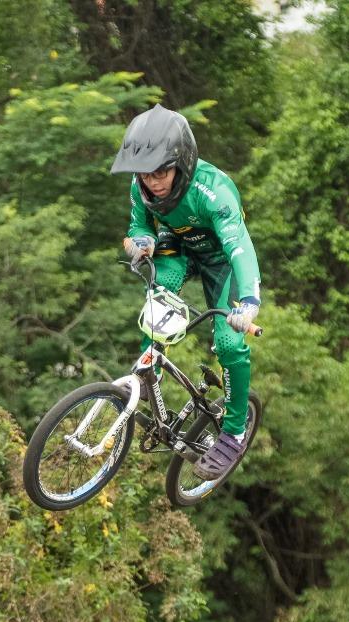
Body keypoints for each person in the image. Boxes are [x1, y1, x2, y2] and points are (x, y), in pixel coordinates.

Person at [110, 104, 263, 480]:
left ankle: (234, 430)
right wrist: (142, 241)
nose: (153, 181)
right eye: (145, 174)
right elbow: (140, 222)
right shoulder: (141, 184)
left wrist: (249, 302)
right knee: (160, 286)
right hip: (177, 246)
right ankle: (151, 364)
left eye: (161, 171)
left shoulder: (214, 192)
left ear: (183, 161)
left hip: (221, 259)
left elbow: (239, 247)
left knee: (228, 345)